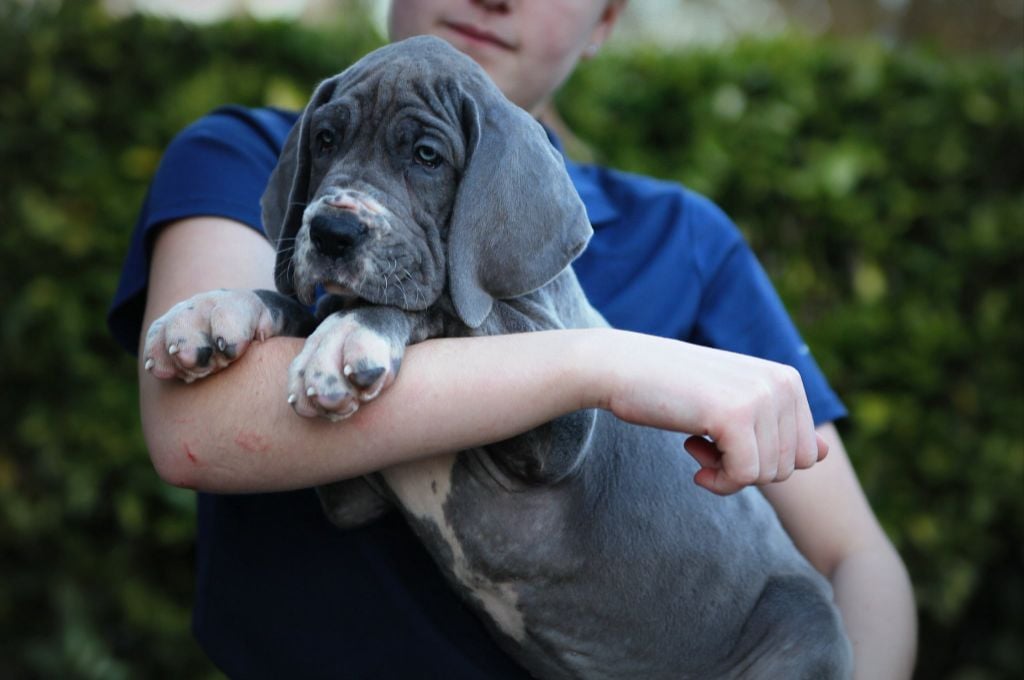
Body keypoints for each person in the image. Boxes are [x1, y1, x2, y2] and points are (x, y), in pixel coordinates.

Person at [108, 0, 916, 677]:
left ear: (606, 21)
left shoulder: (688, 240)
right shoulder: (241, 154)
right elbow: (202, 429)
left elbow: (853, 556)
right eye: (332, 143)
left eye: (426, 154)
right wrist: (602, 363)